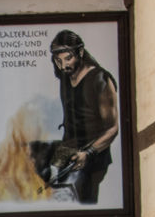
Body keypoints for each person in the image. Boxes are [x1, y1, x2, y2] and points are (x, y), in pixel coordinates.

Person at [49, 30, 119, 204]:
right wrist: (57, 160)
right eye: (58, 60)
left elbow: (112, 128)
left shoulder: (100, 79)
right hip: (69, 151)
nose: (63, 65)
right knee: (55, 198)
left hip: (93, 156)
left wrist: (88, 153)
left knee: (82, 204)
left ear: (80, 52)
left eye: (68, 58)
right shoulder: (65, 77)